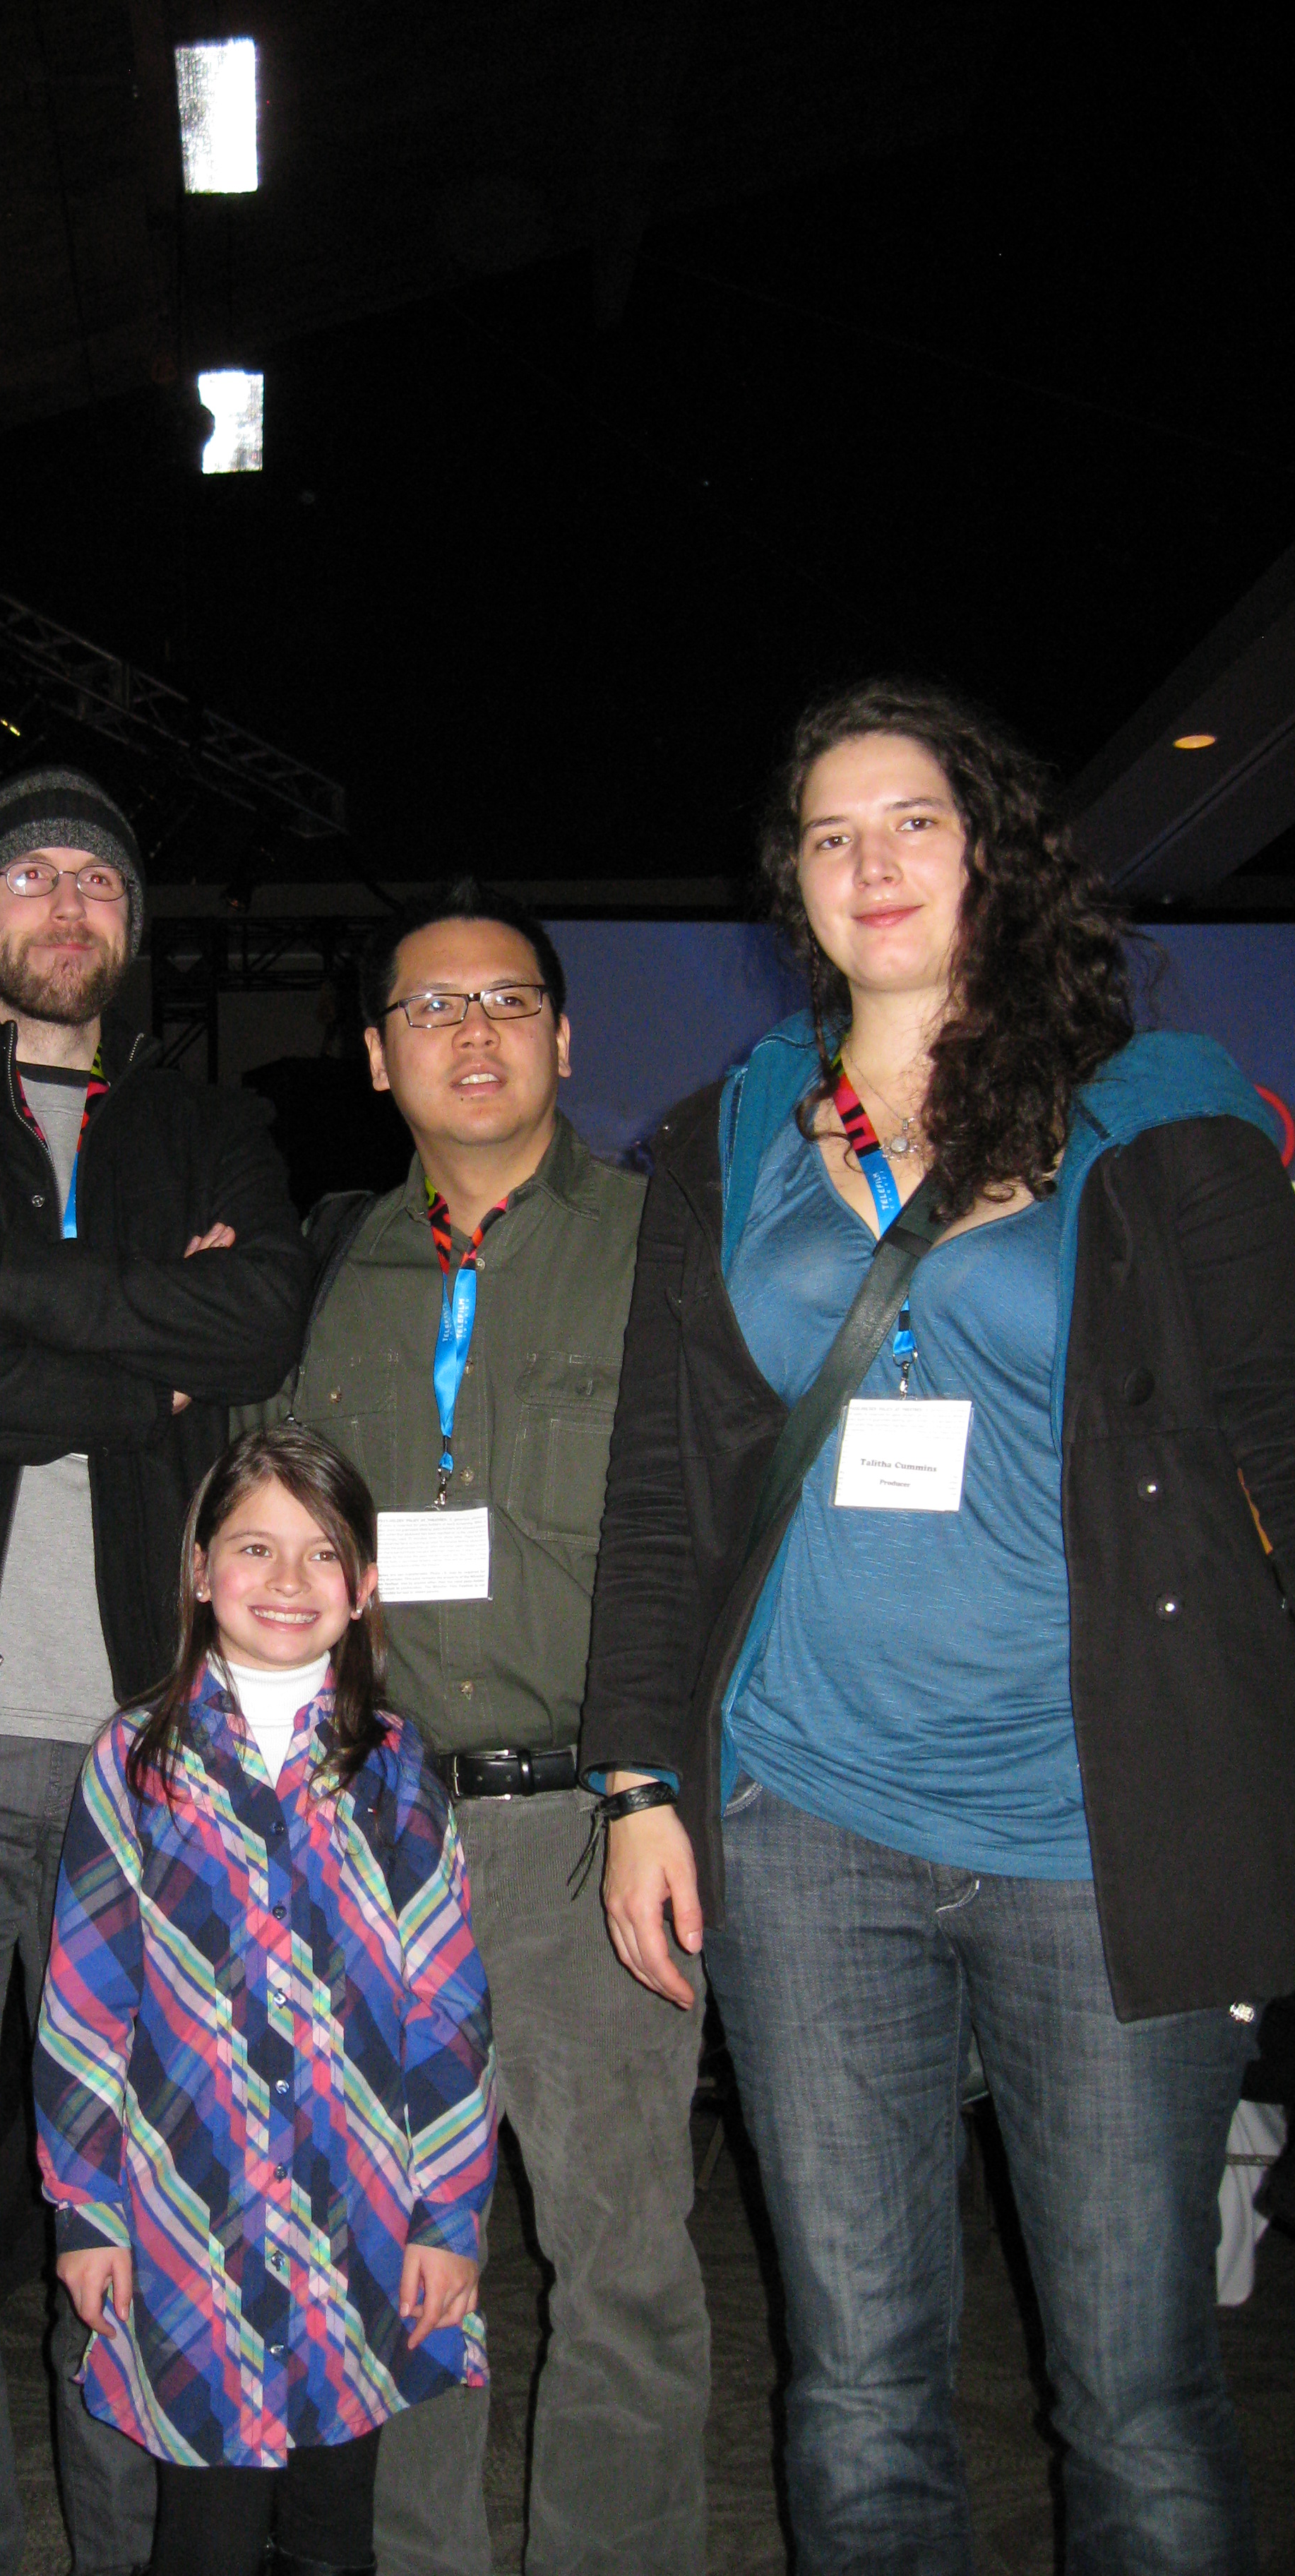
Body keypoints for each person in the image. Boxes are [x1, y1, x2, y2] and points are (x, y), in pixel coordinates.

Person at [583, 676, 1295, 2575]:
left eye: (912, 820)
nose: (869, 862)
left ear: (993, 853)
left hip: (1098, 1833)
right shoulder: (727, 1136)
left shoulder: (1156, 1110)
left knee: (1139, 2400)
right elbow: (667, 1492)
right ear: (792, 886)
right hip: (807, 1819)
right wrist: (644, 1778)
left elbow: (1280, 1435)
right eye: (829, 834)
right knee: (862, 2389)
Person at [0, 765, 312, 2576]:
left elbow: (255, 1314)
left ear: (129, 927)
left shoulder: (206, 1130)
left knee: (150, 2218)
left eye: (98, 878)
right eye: (26, 874)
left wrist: (1, 1291)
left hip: (142, 1749)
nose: (67, 900)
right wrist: (133, 1361)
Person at [251, 881, 710, 2576]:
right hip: (379, 1842)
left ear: (564, 1037)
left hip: (597, 1826)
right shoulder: (325, 1270)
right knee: (400, 2264)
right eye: (430, 1008)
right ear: (376, 1056)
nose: (472, 1030)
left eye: (507, 999)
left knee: (626, 2265)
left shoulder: (670, 1246)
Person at [35, 1424, 497, 2576]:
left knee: (335, 2532)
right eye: (253, 1548)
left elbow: (448, 2009)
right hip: (191, 2229)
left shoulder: (397, 1774)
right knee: (207, 2537)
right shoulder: (131, 1764)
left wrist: (448, 2215)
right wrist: (87, 2211)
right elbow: (86, 2008)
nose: (288, 1582)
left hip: (362, 2226)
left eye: (321, 1553)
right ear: (199, 1572)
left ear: (365, 1586)